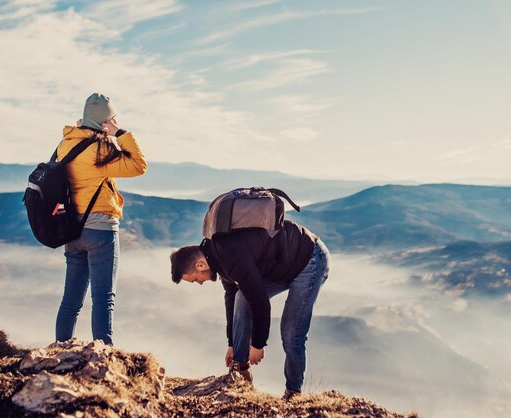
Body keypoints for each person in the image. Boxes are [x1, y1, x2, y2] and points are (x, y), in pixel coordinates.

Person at [169, 219, 330, 401]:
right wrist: (232, 343)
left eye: (194, 279)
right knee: (241, 297)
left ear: (200, 265)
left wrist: (258, 345)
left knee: (291, 333)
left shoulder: (229, 257)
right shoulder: (216, 257)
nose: (198, 283)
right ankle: (240, 371)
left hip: (309, 259)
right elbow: (232, 299)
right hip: (282, 264)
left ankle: (293, 393)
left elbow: (259, 302)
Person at [55, 92, 147, 345]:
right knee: (103, 298)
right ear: (107, 121)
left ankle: (60, 349)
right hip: (100, 230)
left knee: (71, 300)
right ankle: (104, 355)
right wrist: (120, 134)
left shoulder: (65, 144)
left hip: (72, 229)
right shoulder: (101, 150)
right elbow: (138, 166)